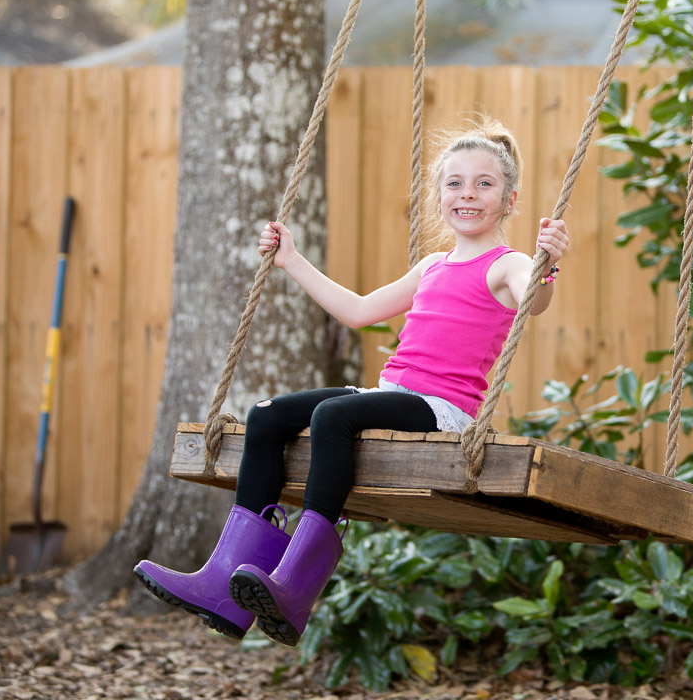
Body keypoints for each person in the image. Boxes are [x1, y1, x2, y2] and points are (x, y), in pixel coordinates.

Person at [134, 118, 569, 647]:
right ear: (438, 198)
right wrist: (291, 261)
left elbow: (534, 301)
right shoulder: (433, 266)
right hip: (391, 395)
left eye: (484, 183)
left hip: (443, 410)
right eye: (454, 183)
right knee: (267, 416)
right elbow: (360, 311)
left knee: (332, 415)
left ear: (510, 199)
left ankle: (295, 585)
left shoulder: (509, 264)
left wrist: (547, 266)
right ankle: (221, 585)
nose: (467, 195)